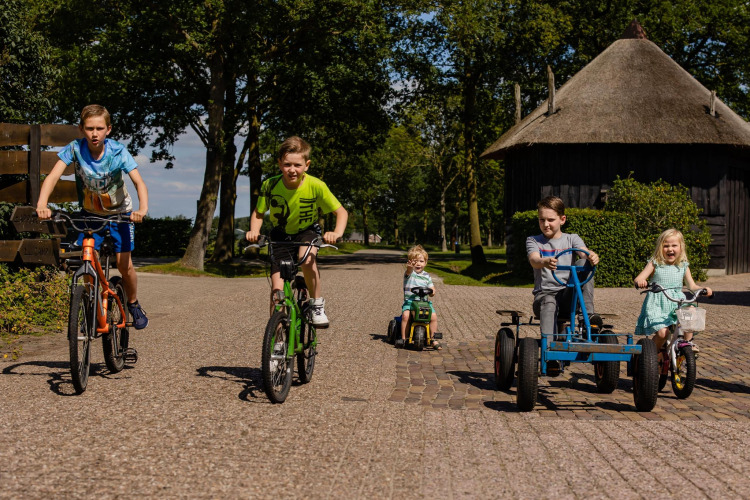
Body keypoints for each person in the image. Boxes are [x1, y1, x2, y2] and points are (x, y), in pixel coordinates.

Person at [36, 104, 150, 329]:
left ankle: (134, 303)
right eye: (89, 128)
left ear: (108, 129)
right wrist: (42, 204)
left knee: (123, 264)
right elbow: (52, 177)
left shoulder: (117, 151)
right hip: (90, 213)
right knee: (86, 257)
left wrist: (142, 209)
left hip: (120, 213)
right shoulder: (75, 148)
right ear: (81, 129)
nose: (94, 133)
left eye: (99, 128)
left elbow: (138, 182)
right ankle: (89, 299)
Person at [245, 136, 347, 327]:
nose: (292, 170)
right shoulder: (270, 185)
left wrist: (336, 233)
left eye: (297, 165)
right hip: (280, 235)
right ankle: (277, 337)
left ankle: (316, 304)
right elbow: (259, 213)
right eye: (287, 164)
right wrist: (254, 231)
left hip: (306, 231)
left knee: (307, 260)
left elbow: (341, 212)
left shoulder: (316, 185)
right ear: (279, 164)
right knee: (277, 290)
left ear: (306, 165)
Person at [527, 196, 600, 364]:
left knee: (584, 264)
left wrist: (591, 256)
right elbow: (534, 260)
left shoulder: (571, 239)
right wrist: (544, 261)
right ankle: (551, 353)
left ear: (562, 219)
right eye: (542, 220)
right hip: (544, 297)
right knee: (549, 302)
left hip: (568, 298)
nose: (546, 224)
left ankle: (588, 319)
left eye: (550, 220)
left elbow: (583, 252)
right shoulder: (534, 240)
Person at [634, 228, 712, 356]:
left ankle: (688, 342)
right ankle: (652, 356)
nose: (670, 249)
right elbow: (639, 278)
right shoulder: (655, 263)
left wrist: (703, 290)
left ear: (681, 247)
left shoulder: (683, 266)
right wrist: (641, 281)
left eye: (674, 245)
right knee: (662, 333)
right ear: (660, 247)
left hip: (677, 301)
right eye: (666, 246)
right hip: (658, 303)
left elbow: (691, 285)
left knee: (691, 309)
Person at [397, 245, 440, 350]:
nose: (418, 263)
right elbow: (408, 270)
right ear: (410, 262)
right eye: (415, 261)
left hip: (424, 302)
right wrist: (409, 267)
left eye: (421, 261)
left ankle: (433, 338)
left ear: (425, 263)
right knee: (406, 316)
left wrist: (432, 291)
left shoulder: (427, 276)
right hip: (410, 302)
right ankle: (403, 338)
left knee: (433, 316)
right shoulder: (409, 274)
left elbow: (431, 287)